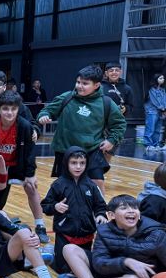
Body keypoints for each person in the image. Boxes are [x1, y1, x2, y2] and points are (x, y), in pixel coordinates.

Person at [56, 195, 166, 278]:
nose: (131, 210)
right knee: (69, 249)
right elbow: (98, 263)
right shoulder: (103, 230)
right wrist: (126, 262)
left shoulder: (156, 233)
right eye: (124, 208)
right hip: (107, 273)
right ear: (111, 215)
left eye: (134, 207)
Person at [38, 65, 126, 197]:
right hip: (65, 149)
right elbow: (47, 110)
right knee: (66, 184)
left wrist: (111, 140)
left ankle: (100, 212)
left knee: (97, 181)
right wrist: (43, 116)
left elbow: (119, 124)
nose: (79, 86)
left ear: (96, 85)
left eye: (85, 83)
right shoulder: (67, 97)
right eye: (78, 82)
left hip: (92, 149)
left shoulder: (106, 103)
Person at [0, 91, 49, 243]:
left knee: (31, 187)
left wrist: (30, 174)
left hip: (17, 165)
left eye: (13, 109)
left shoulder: (25, 126)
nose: (9, 112)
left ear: (18, 109)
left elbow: (29, 152)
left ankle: (40, 226)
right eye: (6, 109)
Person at [41, 147, 108, 274]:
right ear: (66, 163)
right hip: (65, 234)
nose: (78, 167)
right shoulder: (58, 184)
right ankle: (51, 254)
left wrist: (101, 215)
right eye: (74, 163)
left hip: (86, 235)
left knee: (82, 267)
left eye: (82, 163)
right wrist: (55, 206)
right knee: (63, 270)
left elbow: (100, 205)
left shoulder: (91, 186)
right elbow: (46, 205)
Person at [143, 73, 166, 150]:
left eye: (163, 78)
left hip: (160, 112)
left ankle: (155, 145)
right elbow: (154, 101)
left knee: (157, 130)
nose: (162, 80)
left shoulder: (163, 90)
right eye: (160, 78)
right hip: (151, 111)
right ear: (156, 79)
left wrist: (164, 109)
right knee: (150, 128)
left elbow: (164, 100)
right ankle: (148, 145)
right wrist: (162, 108)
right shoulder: (151, 89)